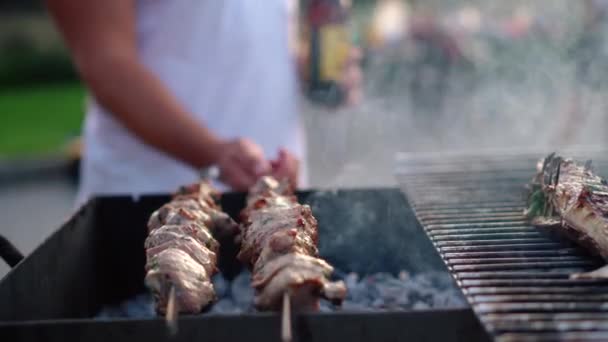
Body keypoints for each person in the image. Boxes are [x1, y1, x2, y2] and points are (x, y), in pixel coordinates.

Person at [45, 0, 361, 204]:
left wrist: (310, 69)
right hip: (150, 208)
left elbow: (235, 38)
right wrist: (213, 154)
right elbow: (106, 63)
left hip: (278, 210)